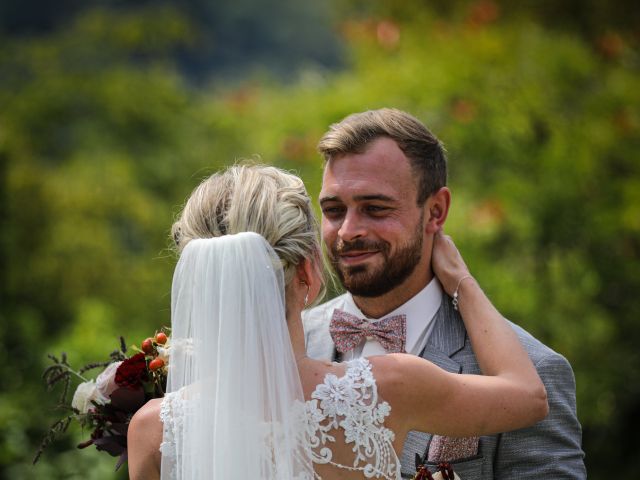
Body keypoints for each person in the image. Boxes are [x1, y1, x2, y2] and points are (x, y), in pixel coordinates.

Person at [127, 164, 548, 480]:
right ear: (308, 274)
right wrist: (462, 282)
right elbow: (529, 396)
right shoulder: (384, 389)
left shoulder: (151, 429)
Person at [304, 108, 586, 479]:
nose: (347, 231)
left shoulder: (537, 371)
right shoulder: (287, 346)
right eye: (335, 210)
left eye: (375, 208)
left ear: (435, 211)